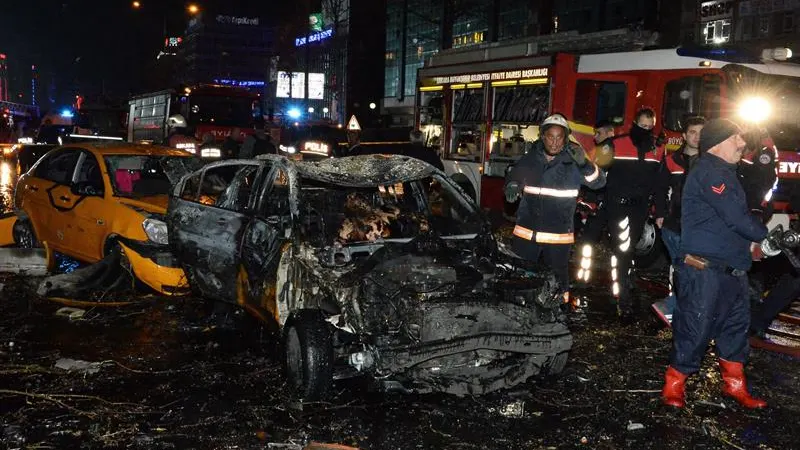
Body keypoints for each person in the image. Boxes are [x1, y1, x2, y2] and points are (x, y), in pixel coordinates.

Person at [662, 119, 768, 409]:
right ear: (719, 142)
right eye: (736, 138)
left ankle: (735, 387)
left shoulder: (727, 172)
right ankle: (673, 386)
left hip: (733, 270)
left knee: (735, 329)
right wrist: (765, 235)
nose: (742, 144)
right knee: (695, 328)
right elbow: (735, 216)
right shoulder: (710, 172)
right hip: (703, 269)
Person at [577, 108, 667, 319]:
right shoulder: (616, 144)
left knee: (626, 250)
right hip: (614, 204)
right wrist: (589, 201)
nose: (644, 130)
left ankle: (622, 286)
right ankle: (617, 295)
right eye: (641, 125)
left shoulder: (658, 149)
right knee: (613, 247)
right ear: (634, 123)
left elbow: (660, 183)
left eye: (648, 127)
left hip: (639, 208)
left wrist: (659, 210)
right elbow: (594, 171)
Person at [505, 114, 606, 302]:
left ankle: (559, 315)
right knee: (521, 278)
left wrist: (585, 164)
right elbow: (516, 173)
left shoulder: (573, 162)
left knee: (559, 282)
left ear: (565, 139)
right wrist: (511, 183)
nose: (554, 142)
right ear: (543, 137)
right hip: (527, 233)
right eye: (550, 136)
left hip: (558, 236)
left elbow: (599, 182)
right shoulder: (530, 158)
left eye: (559, 137)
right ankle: (521, 312)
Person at [651, 116, 706, 326]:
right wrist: (660, 214)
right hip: (674, 226)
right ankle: (675, 308)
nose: (696, 137)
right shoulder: (672, 160)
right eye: (692, 132)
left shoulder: (710, 162)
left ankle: (675, 308)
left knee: (690, 271)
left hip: (699, 228)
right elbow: (659, 189)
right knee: (687, 270)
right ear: (684, 135)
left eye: (701, 132)